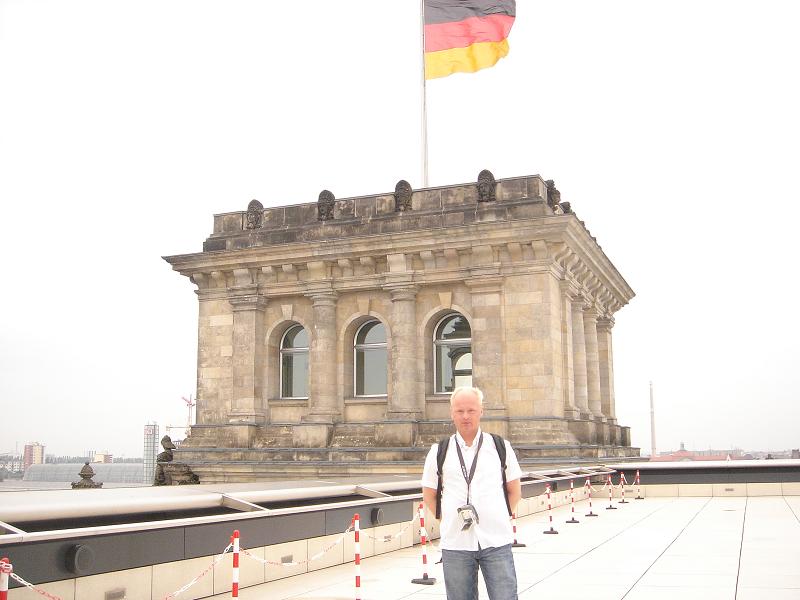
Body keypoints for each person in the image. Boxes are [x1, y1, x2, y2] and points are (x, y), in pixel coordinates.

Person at [421, 386, 523, 600]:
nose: (465, 416)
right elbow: (429, 494)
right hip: (456, 543)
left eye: (471, 410)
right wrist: (447, 518)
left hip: (496, 541)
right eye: (460, 411)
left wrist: (497, 517)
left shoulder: (500, 447)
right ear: (452, 413)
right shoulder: (438, 451)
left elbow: (514, 491)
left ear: (481, 411)